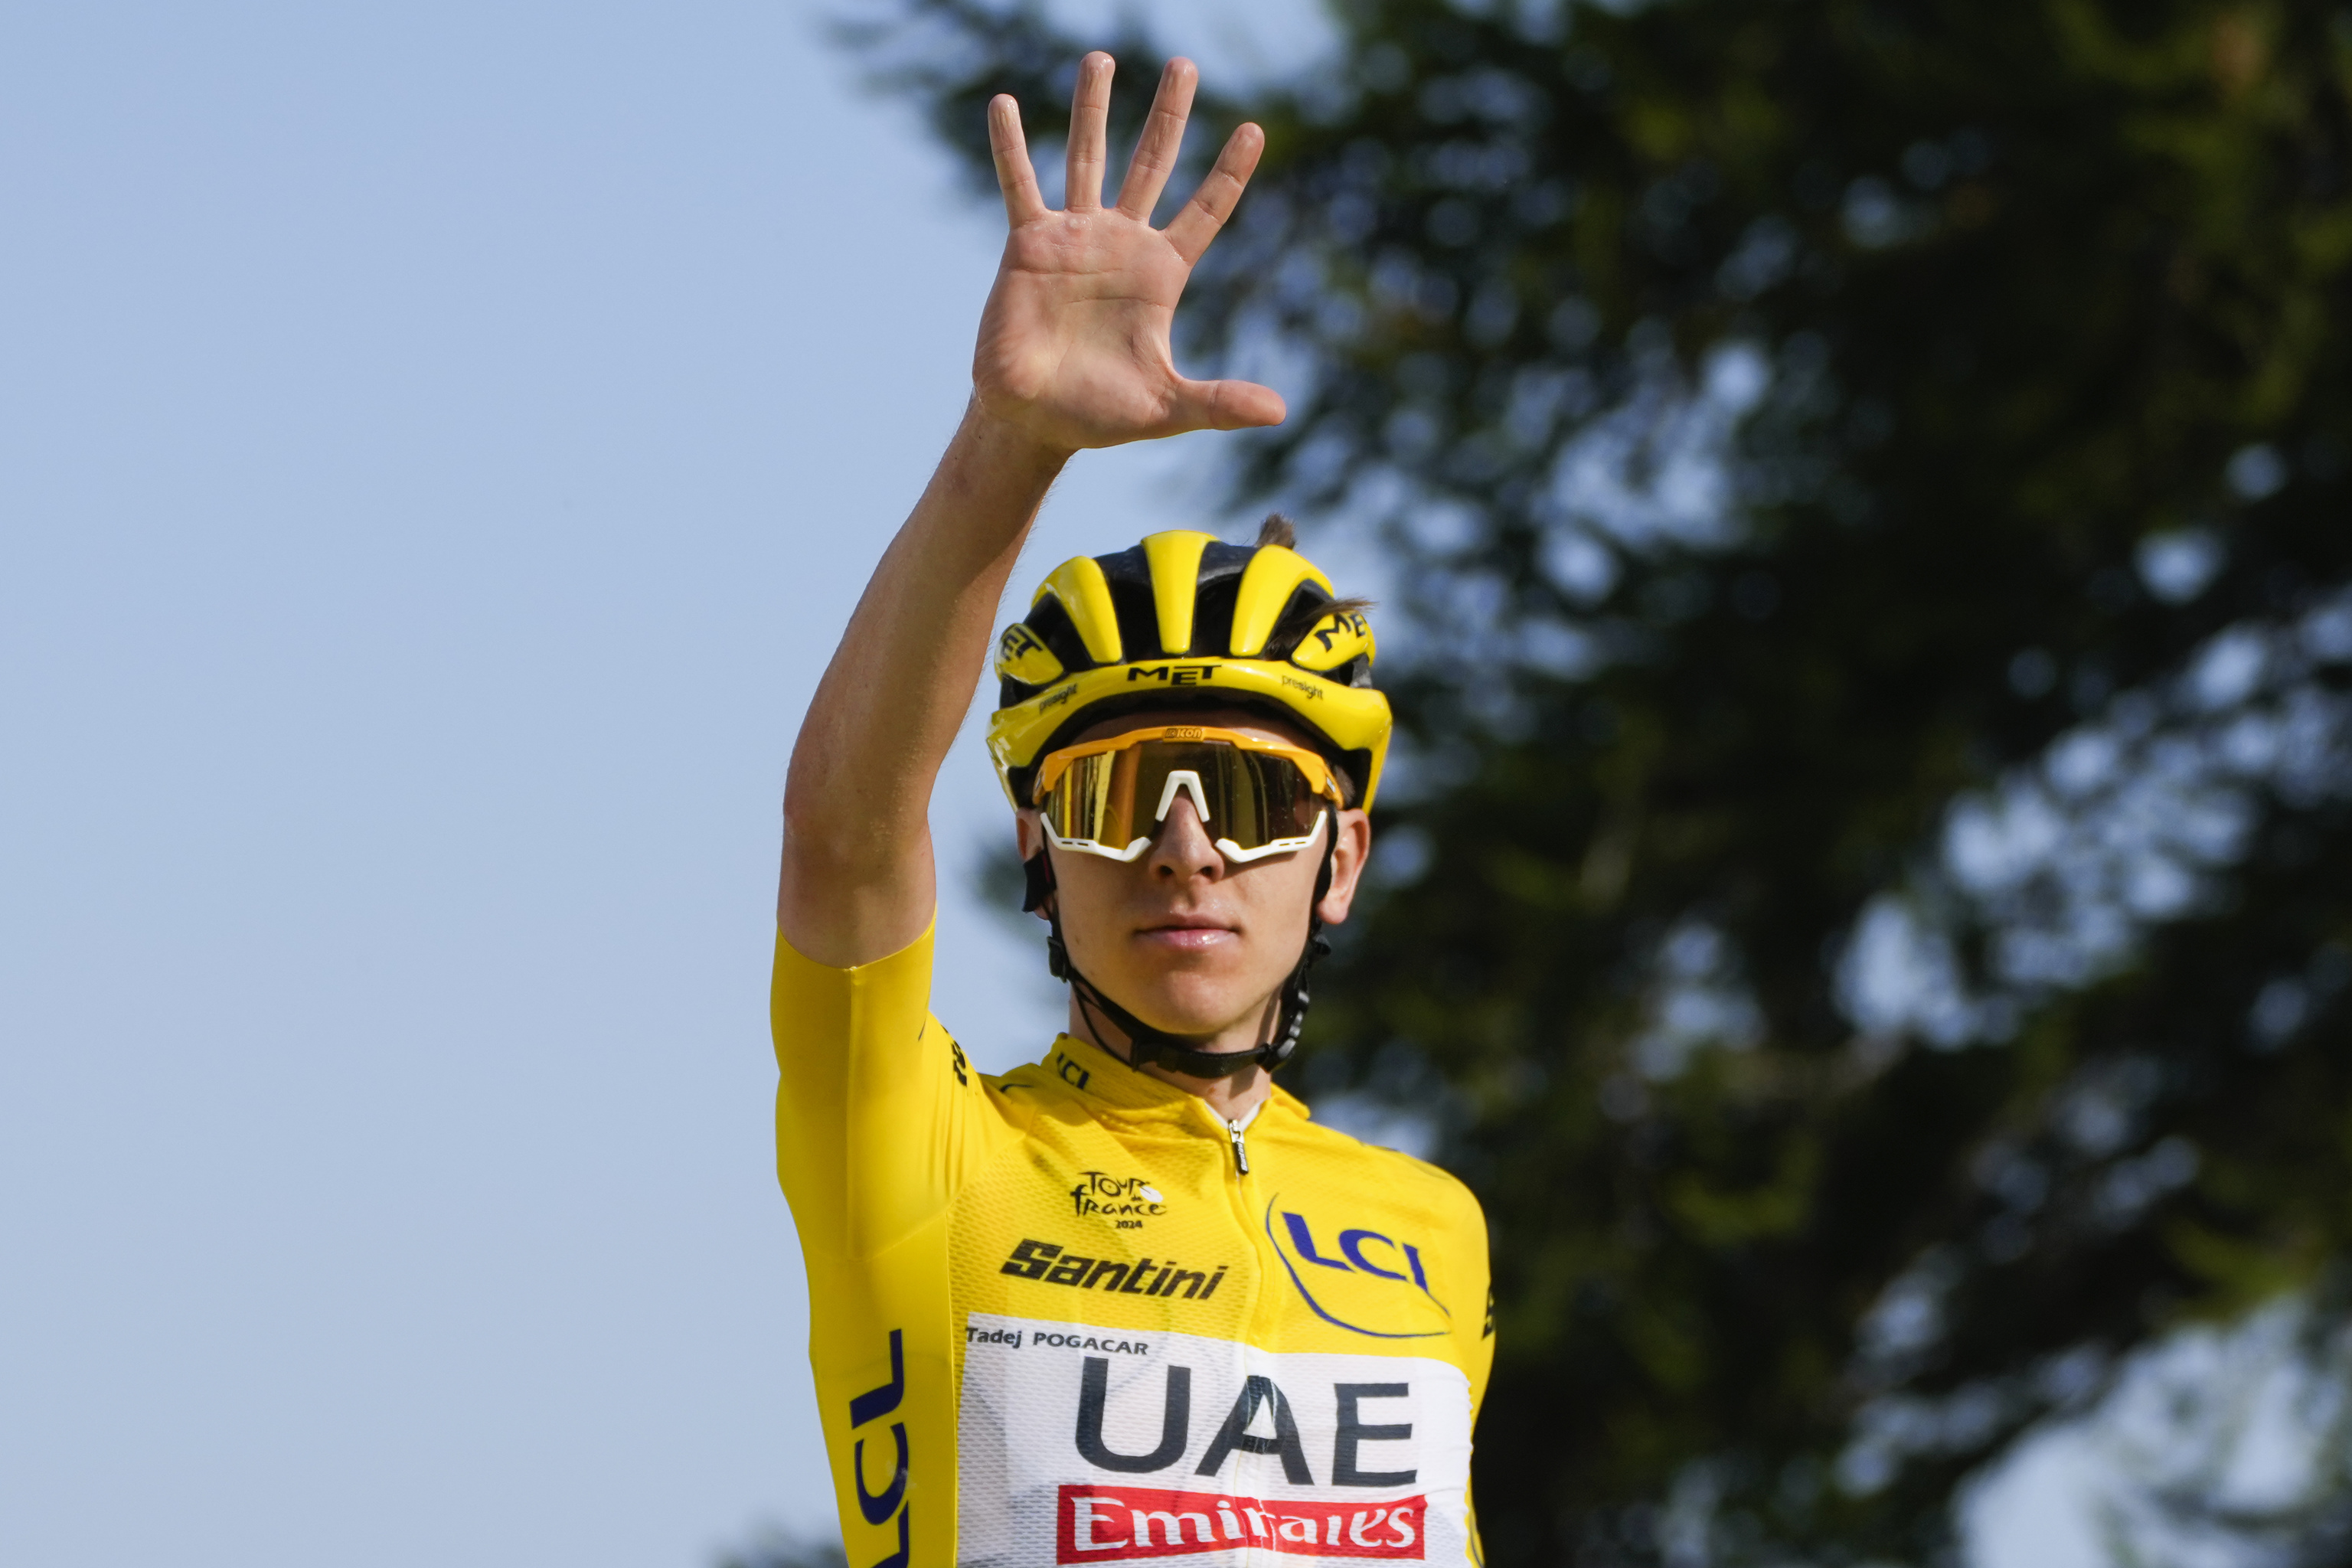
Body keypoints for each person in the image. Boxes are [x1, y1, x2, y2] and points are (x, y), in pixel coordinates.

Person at [772, 52, 1493, 1568]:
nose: (1185, 845)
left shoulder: (1435, 1233)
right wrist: (1014, 443)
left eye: (1242, 792)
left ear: (1339, 853)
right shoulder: (920, 1154)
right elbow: (846, 835)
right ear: (1038, 847)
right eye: (1111, 795)